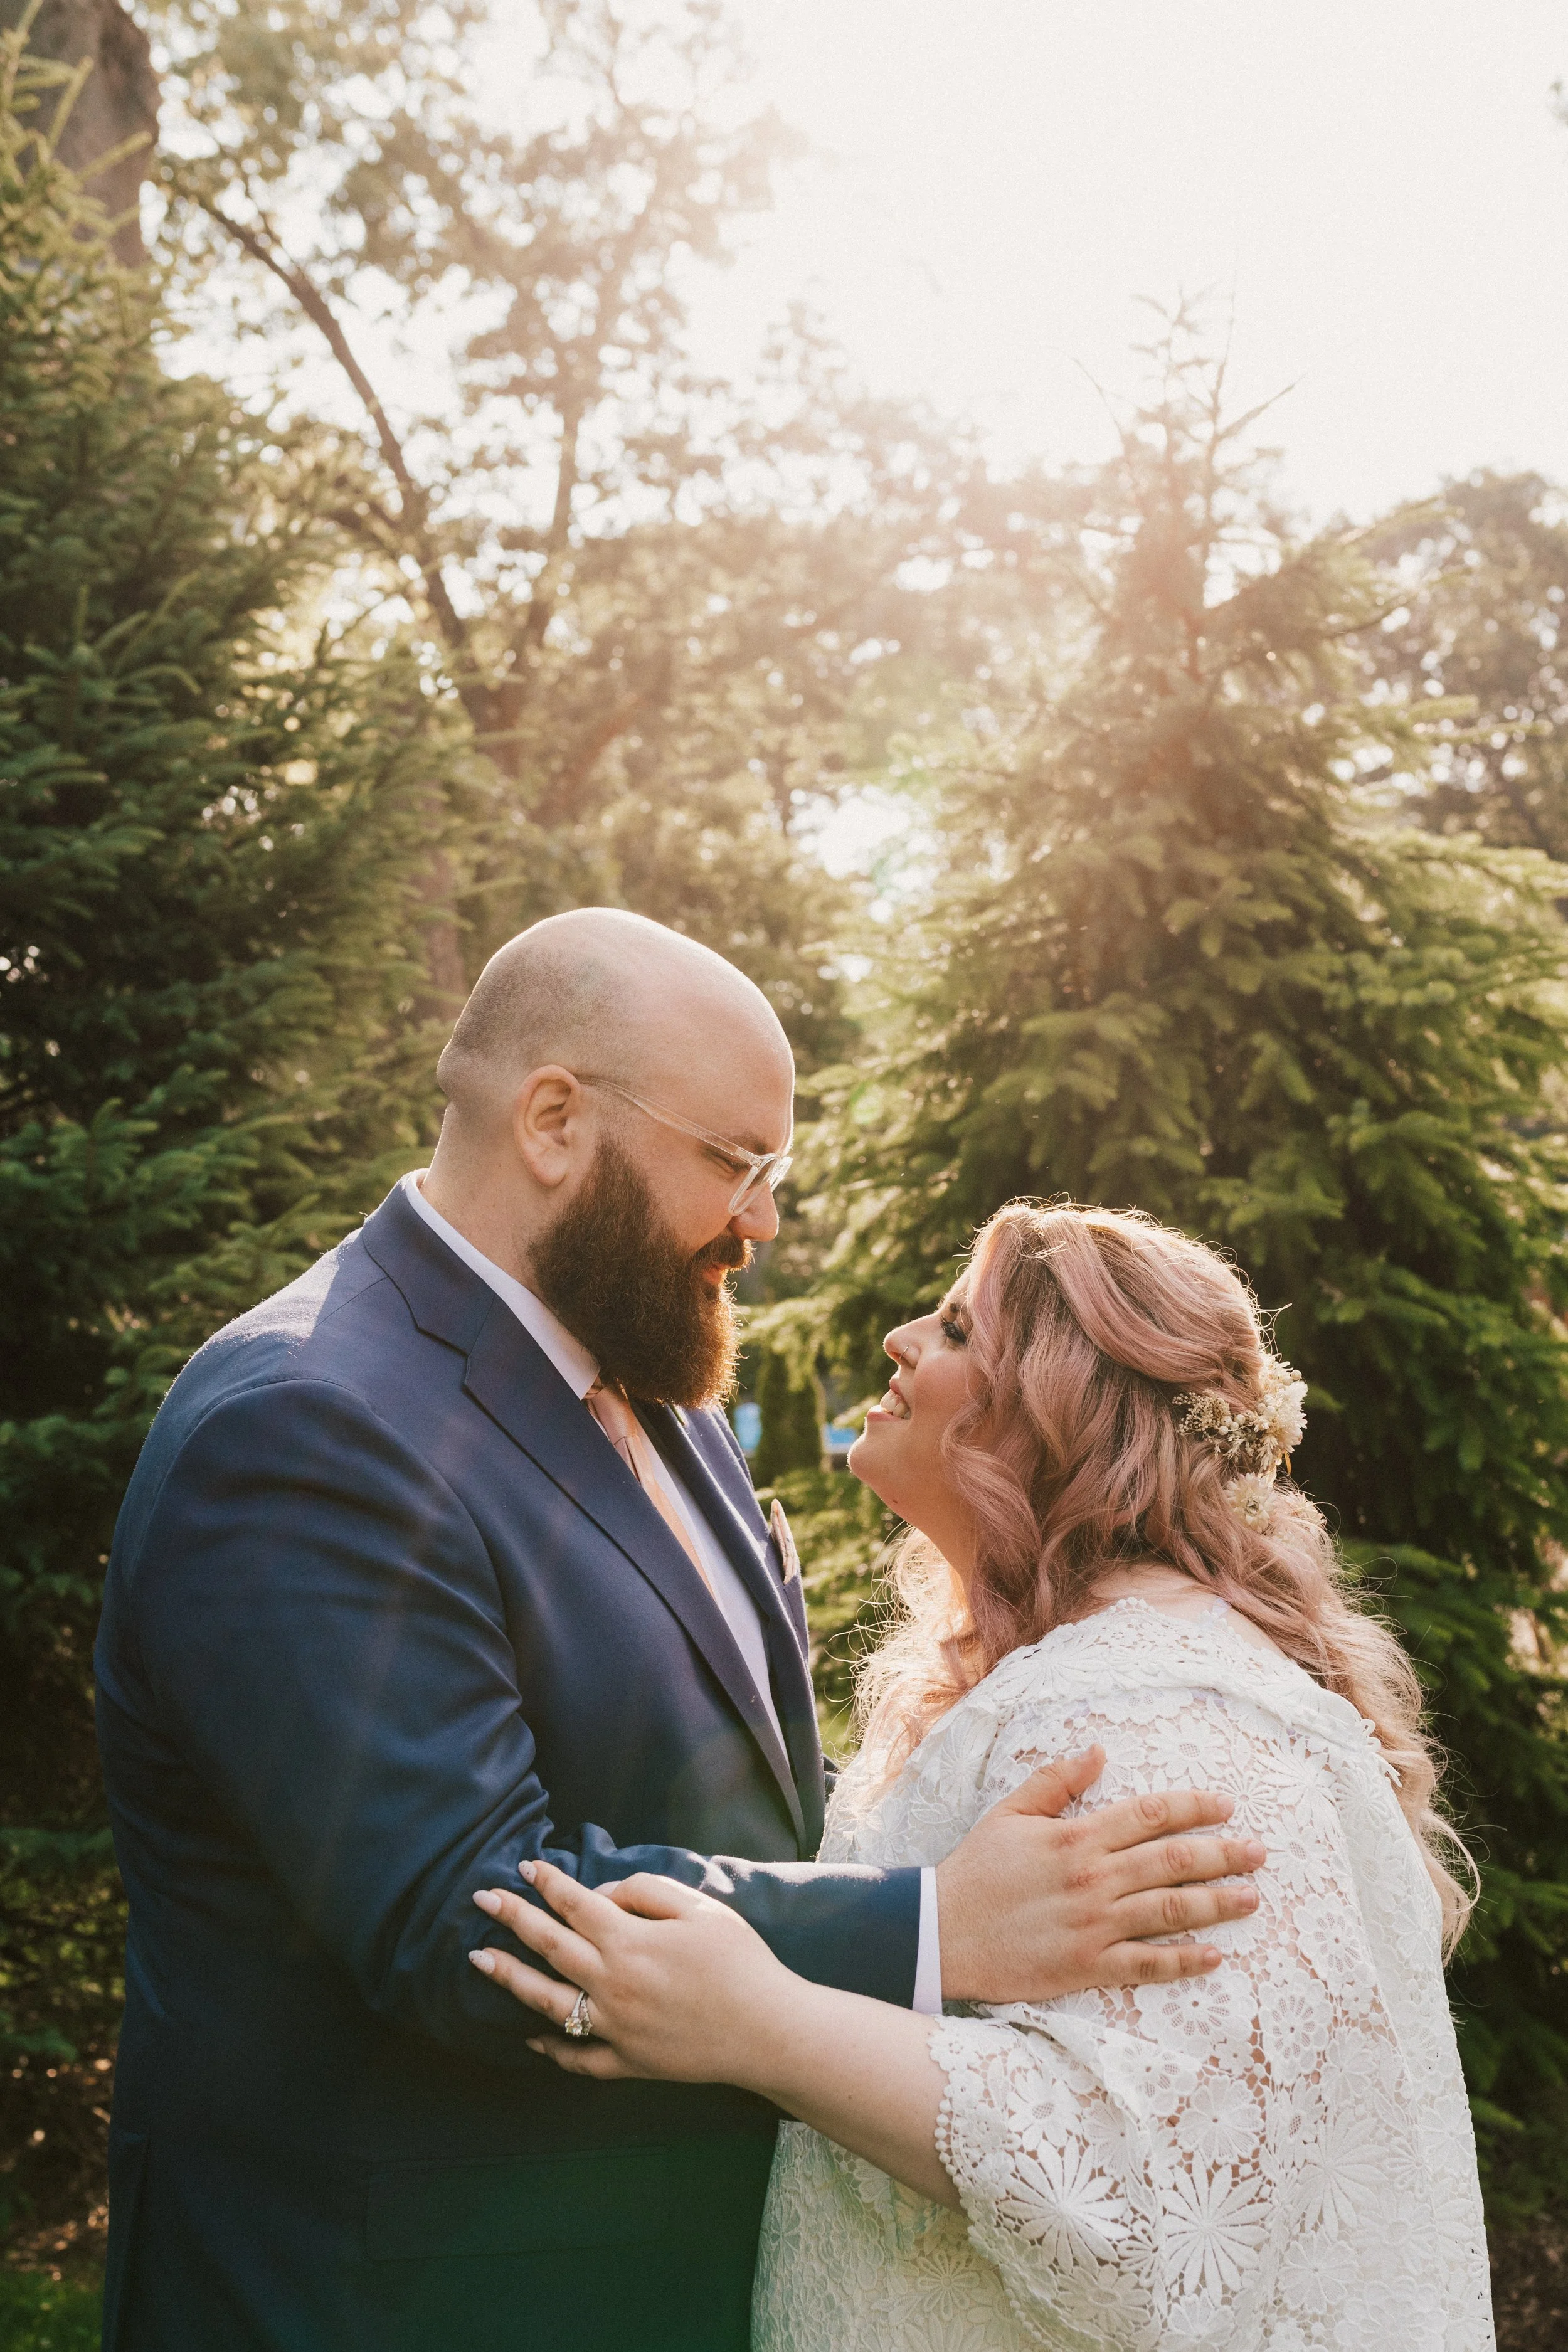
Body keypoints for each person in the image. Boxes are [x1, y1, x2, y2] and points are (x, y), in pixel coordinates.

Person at [93, 916, 1268, 2352]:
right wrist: (933, 1927)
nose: (760, 1221)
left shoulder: (652, 1374)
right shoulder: (305, 1424)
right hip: (406, 2305)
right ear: (553, 1122)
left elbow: (726, 1784)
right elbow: (469, 1915)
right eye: (734, 1161)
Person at [473, 1198, 1495, 2352]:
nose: (903, 1338)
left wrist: (760, 2022)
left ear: (1064, 1414)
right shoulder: (1071, 1674)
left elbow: (1155, 2217)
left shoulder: (1153, 1715)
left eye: (959, 1328)